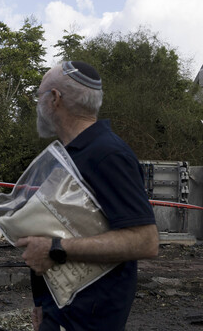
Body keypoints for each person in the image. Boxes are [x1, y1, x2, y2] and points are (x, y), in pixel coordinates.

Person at [16, 61, 159, 331]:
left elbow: (145, 241)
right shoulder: (71, 153)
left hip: (89, 319)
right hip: (60, 311)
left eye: (39, 96)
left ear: (55, 99)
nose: (38, 104)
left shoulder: (108, 154)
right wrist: (42, 303)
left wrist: (54, 249)